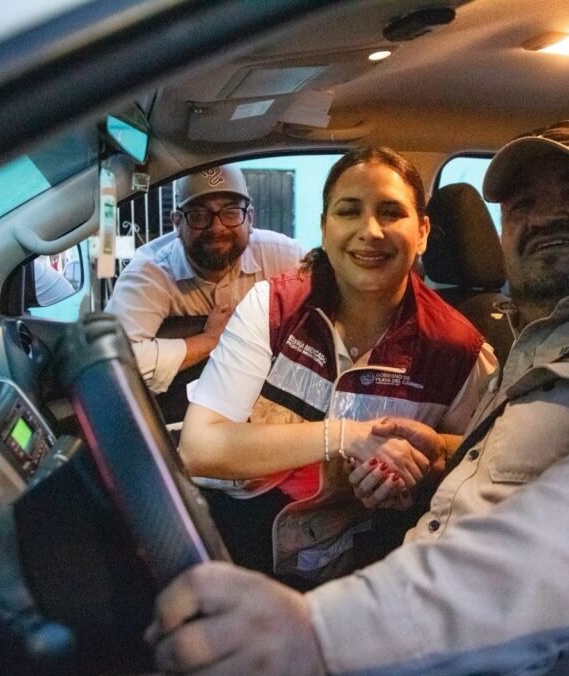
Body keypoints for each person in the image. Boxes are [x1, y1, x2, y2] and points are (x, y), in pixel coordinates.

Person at [146, 123, 569, 676]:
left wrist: (328, 632)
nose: (547, 215)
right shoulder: (546, 339)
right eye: (524, 203)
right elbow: (506, 473)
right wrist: (435, 458)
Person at [180, 147, 498, 587]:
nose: (370, 231)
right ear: (324, 228)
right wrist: (347, 437)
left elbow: (480, 468)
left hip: (359, 560)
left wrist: (417, 475)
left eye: (391, 213)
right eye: (349, 211)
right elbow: (199, 448)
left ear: (422, 232)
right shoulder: (272, 306)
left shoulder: (459, 349)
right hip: (240, 531)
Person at [105, 165, 305, 394]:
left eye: (230, 213)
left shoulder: (284, 255)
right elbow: (113, 364)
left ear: (249, 218)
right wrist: (209, 340)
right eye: (199, 216)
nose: (217, 227)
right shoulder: (149, 273)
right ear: (177, 223)